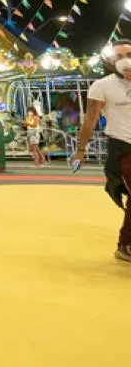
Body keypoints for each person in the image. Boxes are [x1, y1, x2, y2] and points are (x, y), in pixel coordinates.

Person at [71, 39, 131, 263]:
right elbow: (91, 118)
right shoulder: (102, 86)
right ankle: (125, 245)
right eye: (119, 56)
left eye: (129, 54)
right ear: (110, 61)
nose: (125, 60)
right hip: (123, 147)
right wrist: (80, 149)